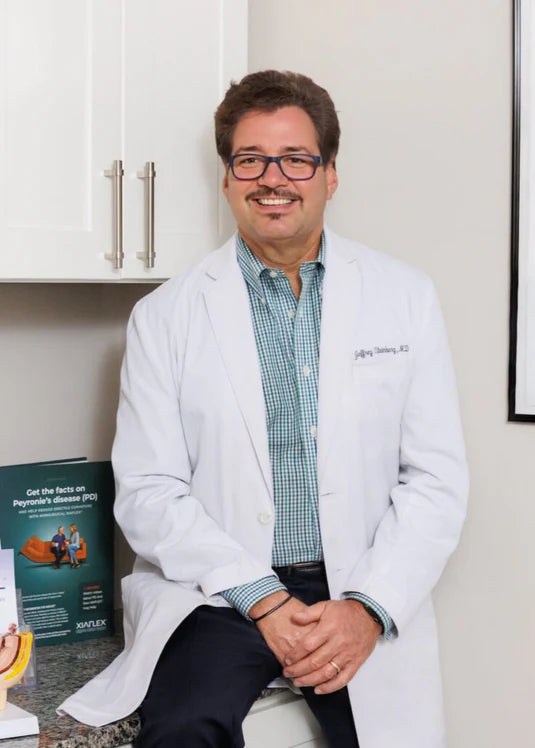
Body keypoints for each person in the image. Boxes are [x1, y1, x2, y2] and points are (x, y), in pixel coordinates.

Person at [58, 71, 468, 747]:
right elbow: (149, 490)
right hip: (221, 593)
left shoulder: (404, 297)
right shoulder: (164, 317)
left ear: (330, 175)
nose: (272, 179)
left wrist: (368, 608)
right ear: (226, 178)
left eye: (296, 159)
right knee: (183, 728)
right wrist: (262, 597)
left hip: (356, 584)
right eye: (249, 159)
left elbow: (434, 480)